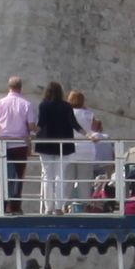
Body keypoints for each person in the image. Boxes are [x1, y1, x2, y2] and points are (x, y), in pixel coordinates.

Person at [34, 80, 82, 210]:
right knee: (60, 175)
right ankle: (59, 207)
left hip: (46, 144)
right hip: (63, 145)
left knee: (47, 176)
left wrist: (31, 134)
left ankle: (48, 207)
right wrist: (87, 134)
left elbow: (41, 124)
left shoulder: (43, 105)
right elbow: (74, 124)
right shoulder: (66, 106)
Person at [0, 77, 39, 210]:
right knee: (18, 176)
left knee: (3, 175)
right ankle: (15, 206)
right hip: (20, 144)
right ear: (21, 87)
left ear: (9, 87)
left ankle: (1, 205)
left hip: (3, 143)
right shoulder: (26, 104)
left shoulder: (0, 103)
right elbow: (31, 126)